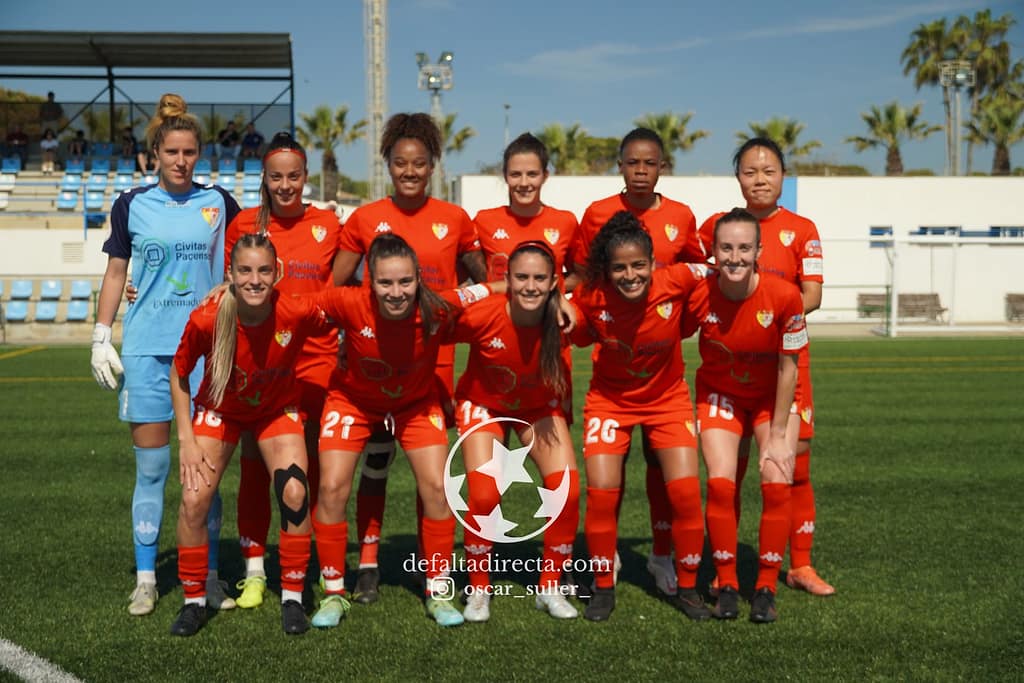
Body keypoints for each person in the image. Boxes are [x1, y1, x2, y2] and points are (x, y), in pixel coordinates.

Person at [89, 93, 240, 618]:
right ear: (155, 153)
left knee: (206, 475)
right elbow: (116, 273)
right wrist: (101, 335)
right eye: (172, 151)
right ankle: (147, 579)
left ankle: (211, 575)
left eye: (189, 152)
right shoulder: (131, 204)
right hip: (149, 353)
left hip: (207, 355)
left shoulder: (219, 203)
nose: (181, 160)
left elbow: (244, 264)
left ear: (200, 155)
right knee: (152, 470)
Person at [331, 112, 486, 605]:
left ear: (433, 165)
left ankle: (429, 566)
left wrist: (451, 310)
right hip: (377, 359)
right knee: (376, 461)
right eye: (401, 163)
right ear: (388, 165)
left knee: (430, 474)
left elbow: (482, 281)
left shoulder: (455, 219)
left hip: (433, 362)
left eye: (419, 163)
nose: (410, 171)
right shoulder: (364, 219)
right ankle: (368, 564)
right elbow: (337, 286)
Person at [310, 232, 495, 628]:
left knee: (438, 488)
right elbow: (291, 306)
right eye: (385, 282)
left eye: (405, 281)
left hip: (415, 405)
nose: (396, 292)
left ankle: (438, 591)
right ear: (370, 282)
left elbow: (491, 288)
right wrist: (230, 293)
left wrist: (552, 293)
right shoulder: (347, 302)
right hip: (353, 402)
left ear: (418, 279)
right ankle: (333, 593)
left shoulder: (438, 306)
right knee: (332, 487)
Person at [169, 233, 329, 637]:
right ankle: (193, 602)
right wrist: (186, 439)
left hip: (276, 411)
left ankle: (293, 597)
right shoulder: (208, 317)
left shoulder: (295, 310)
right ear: (230, 273)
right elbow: (179, 372)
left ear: (278, 272)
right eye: (245, 270)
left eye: (263, 271)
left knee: (295, 493)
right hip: (220, 411)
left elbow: (344, 316)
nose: (255, 280)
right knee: (193, 500)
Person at [570, 127, 705, 598]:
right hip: (613, 385)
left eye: (650, 163)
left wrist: (675, 327)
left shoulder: (681, 220)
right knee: (606, 485)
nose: (641, 171)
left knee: (672, 481)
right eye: (633, 163)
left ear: (662, 166)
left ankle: (666, 559)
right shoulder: (597, 215)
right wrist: (569, 310)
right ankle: (603, 575)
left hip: (665, 381)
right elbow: (582, 278)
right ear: (620, 166)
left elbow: (701, 278)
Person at [697, 137, 833, 597]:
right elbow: (700, 285)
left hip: (786, 362)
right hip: (730, 366)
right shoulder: (716, 228)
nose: (759, 179)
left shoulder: (802, 229)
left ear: (783, 176)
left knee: (794, 465)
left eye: (769, 171)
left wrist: (764, 316)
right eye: (750, 172)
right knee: (728, 469)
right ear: (738, 178)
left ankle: (801, 565)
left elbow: (811, 295)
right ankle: (725, 567)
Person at [225, 132, 344, 610]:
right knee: (254, 468)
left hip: (316, 361)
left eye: (293, 176)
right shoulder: (244, 224)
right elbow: (228, 287)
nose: (285, 185)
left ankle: (300, 563)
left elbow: (346, 287)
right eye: (276, 177)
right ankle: (254, 570)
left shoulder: (329, 224)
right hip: (261, 363)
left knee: (304, 469)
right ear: (265, 178)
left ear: (305, 176)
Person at [687, 207, 805, 624]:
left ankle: (766, 588)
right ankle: (727, 584)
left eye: (743, 248)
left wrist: (778, 435)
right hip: (721, 395)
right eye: (726, 248)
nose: (734, 257)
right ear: (713, 250)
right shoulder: (698, 293)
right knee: (720, 484)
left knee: (776, 479)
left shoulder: (786, 296)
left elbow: (789, 368)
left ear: (758, 251)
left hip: (772, 399)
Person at [451, 240, 579, 623]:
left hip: (538, 408)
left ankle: (550, 587)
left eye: (540, 278)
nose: (530, 286)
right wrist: (489, 287)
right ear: (507, 279)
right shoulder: (483, 314)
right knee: (484, 494)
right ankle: (478, 589)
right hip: (484, 405)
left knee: (567, 491)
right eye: (521, 277)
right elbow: (436, 308)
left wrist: (566, 301)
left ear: (554, 282)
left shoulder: (565, 318)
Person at [473, 133, 578, 288]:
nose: (523, 183)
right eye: (515, 174)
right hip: (498, 305)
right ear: (505, 176)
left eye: (532, 174)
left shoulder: (566, 221)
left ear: (545, 176)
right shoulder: (484, 220)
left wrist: (548, 291)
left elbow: (580, 276)